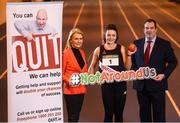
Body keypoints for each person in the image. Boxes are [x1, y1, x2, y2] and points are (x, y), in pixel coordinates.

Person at [131, 19, 178, 122]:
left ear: (156, 30)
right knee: (144, 117)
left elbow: (173, 62)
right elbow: (132, 63)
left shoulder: (164, 44)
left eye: (151, 28)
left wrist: (164, 75)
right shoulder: (136, 44)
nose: (149, 30)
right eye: (147, 28)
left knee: (159, 117)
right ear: (143, 30)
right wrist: (136, 73)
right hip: (141, 87)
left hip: (157, 86)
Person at [88, 24, 135, 122]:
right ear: (104, 36)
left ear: (116, 36)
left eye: (113, 35)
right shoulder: (98, 50)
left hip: (120, 85)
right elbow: (91, 66)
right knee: (108, 113)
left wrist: (129, 55)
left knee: (119, 114)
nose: (111, 37)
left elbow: (127, 67)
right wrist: (92, 78)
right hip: (106, 87)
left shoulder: (121, 48)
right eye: (108, 35)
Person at [62, 28, 87, 122]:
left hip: (81, 90)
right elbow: (60, 73)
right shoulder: (66, 54)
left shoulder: (82, 52)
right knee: (72, 118)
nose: (79, 41)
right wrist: (69, 81)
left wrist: (90, 78)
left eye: (81, 38)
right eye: (76, 38)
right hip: (70, 91)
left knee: (76, 117)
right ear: (71, 40)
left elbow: (83, 71)